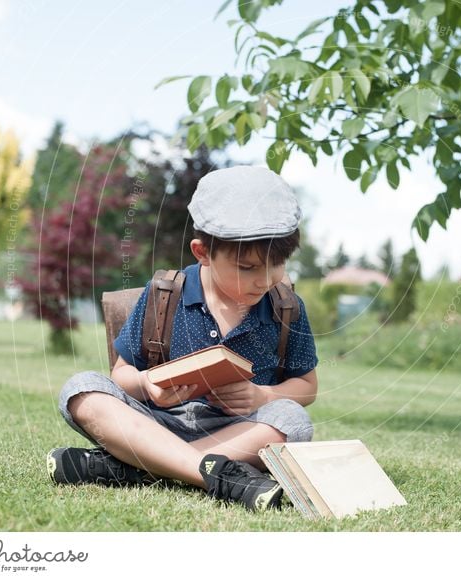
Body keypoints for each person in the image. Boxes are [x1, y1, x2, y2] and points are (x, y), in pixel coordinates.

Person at [46, 166, 319, 511]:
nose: (264, 280)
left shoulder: (286, 307)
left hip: (236, 432)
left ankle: (140, 466)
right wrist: (147, 386)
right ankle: (218, 474)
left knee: (292, 420)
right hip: (156, 422)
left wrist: (260, 396)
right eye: (247, 268)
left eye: (277, 264)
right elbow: (122, 374)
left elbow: (307, 386)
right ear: (202, 252)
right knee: (81, 389)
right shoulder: (165, 294)